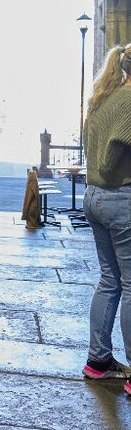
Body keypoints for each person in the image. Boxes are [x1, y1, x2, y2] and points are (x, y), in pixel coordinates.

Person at [81, 42, 131, 392]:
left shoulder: (104, 97)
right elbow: (116, 153)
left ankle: (98, 360)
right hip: (121, 198)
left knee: (110, 280)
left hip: (94, 197)